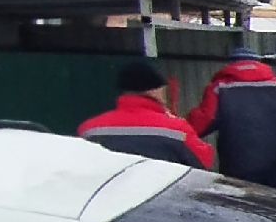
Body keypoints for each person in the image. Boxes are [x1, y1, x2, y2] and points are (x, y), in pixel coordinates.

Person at [186, 46, 276, 190]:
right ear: (260, 64)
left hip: (239, 167)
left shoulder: (220, 88)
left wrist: (178, 129)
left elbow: (201, 122)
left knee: (246, 206)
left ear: (231, 65)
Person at [78, 60, 215, 169]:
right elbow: (204, 161)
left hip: (111, 201)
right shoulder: (176, 129)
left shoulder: (89, 130)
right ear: (153, 91)